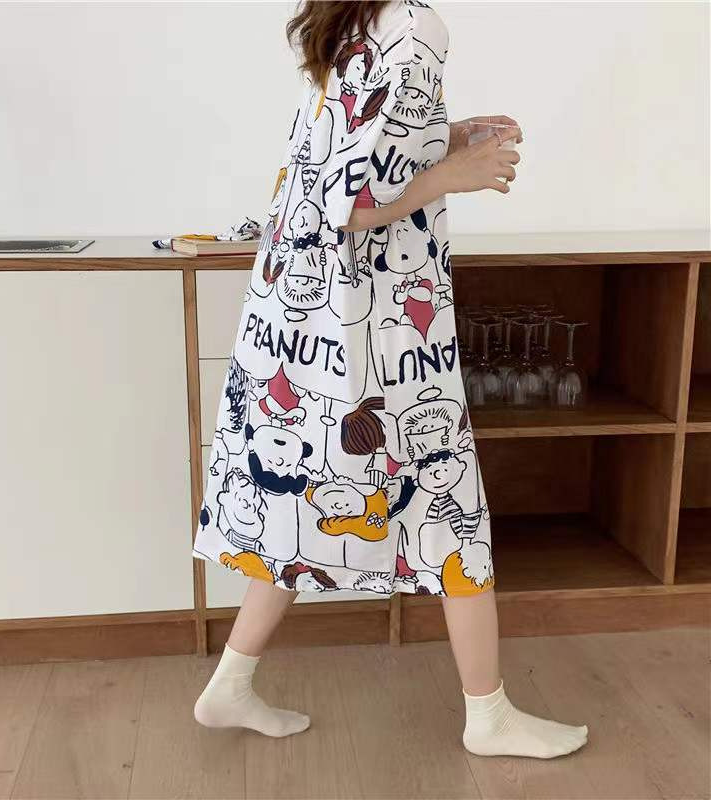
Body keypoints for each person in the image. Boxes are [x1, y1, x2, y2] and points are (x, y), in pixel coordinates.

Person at [192, 0, 589, 759]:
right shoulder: (413, 23)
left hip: (302, 319)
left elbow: (351, 159)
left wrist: (447, 135)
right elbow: (351, 202)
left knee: (306, 498)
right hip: (370, 325)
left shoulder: (352, 19)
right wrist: (455, 174)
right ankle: (489, 716)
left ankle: (231, 683)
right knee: (451, 505)